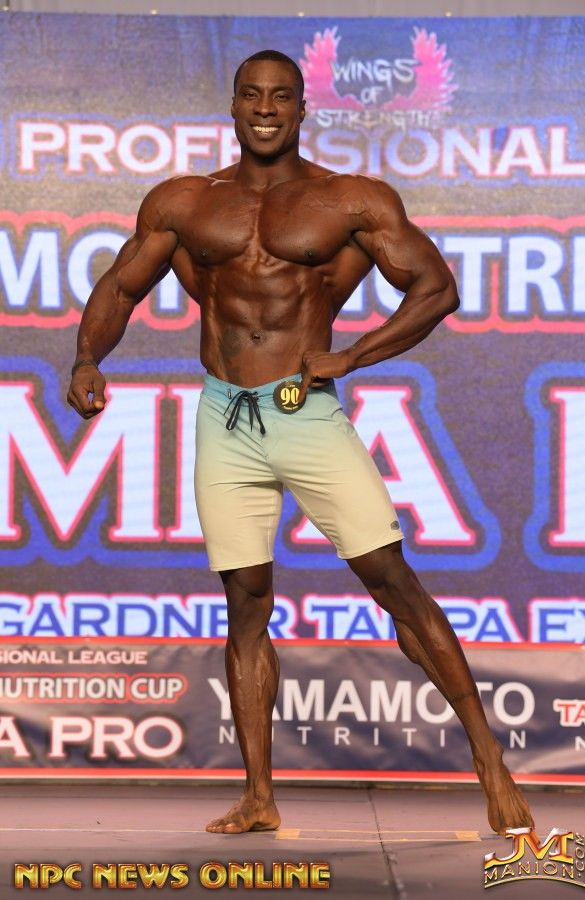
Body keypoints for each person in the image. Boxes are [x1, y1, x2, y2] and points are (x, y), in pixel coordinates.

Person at [67, 49, 534, 837]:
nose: (265, 108)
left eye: (281, 96)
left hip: (304, 409)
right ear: (232, 105)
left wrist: (353, 356)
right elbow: (120, 285)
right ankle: (259, 796)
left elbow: (437, 288)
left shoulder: (347, 199)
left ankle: (489, 758)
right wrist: (87, 357)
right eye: (252, 94)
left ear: (302, 108)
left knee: (392, 580)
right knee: (245, 605)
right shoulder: (183, 201)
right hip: (224, 415)